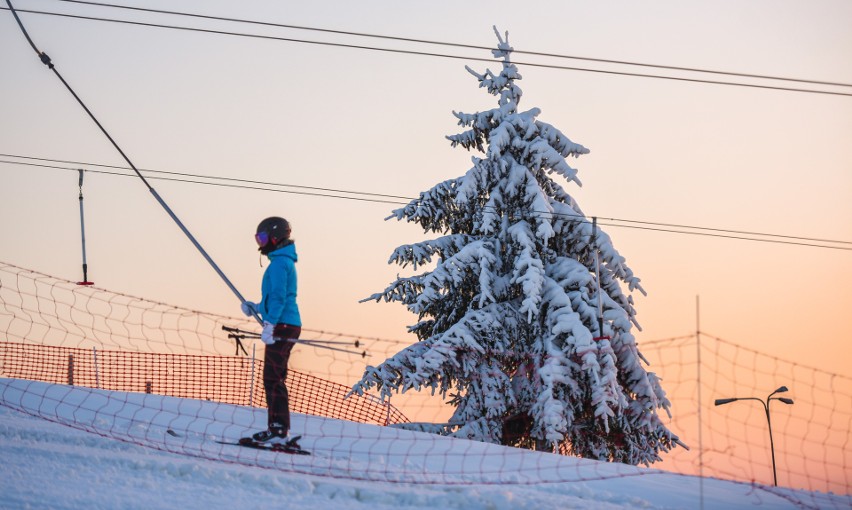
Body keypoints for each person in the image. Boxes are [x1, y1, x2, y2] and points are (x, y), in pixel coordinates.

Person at [241, 216, 302, 445]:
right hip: (284, 323)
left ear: (275, 237)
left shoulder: (279, 264)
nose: (261, 243)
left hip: (283, 325)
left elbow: (279, 297)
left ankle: (278, 428)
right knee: (274, 377)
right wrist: (255, 308)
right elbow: (274, 299)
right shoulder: (281, 262)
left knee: (273, 378)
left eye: (263, 237)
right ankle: (278, 428)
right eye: (259, 238)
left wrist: (271, 324)